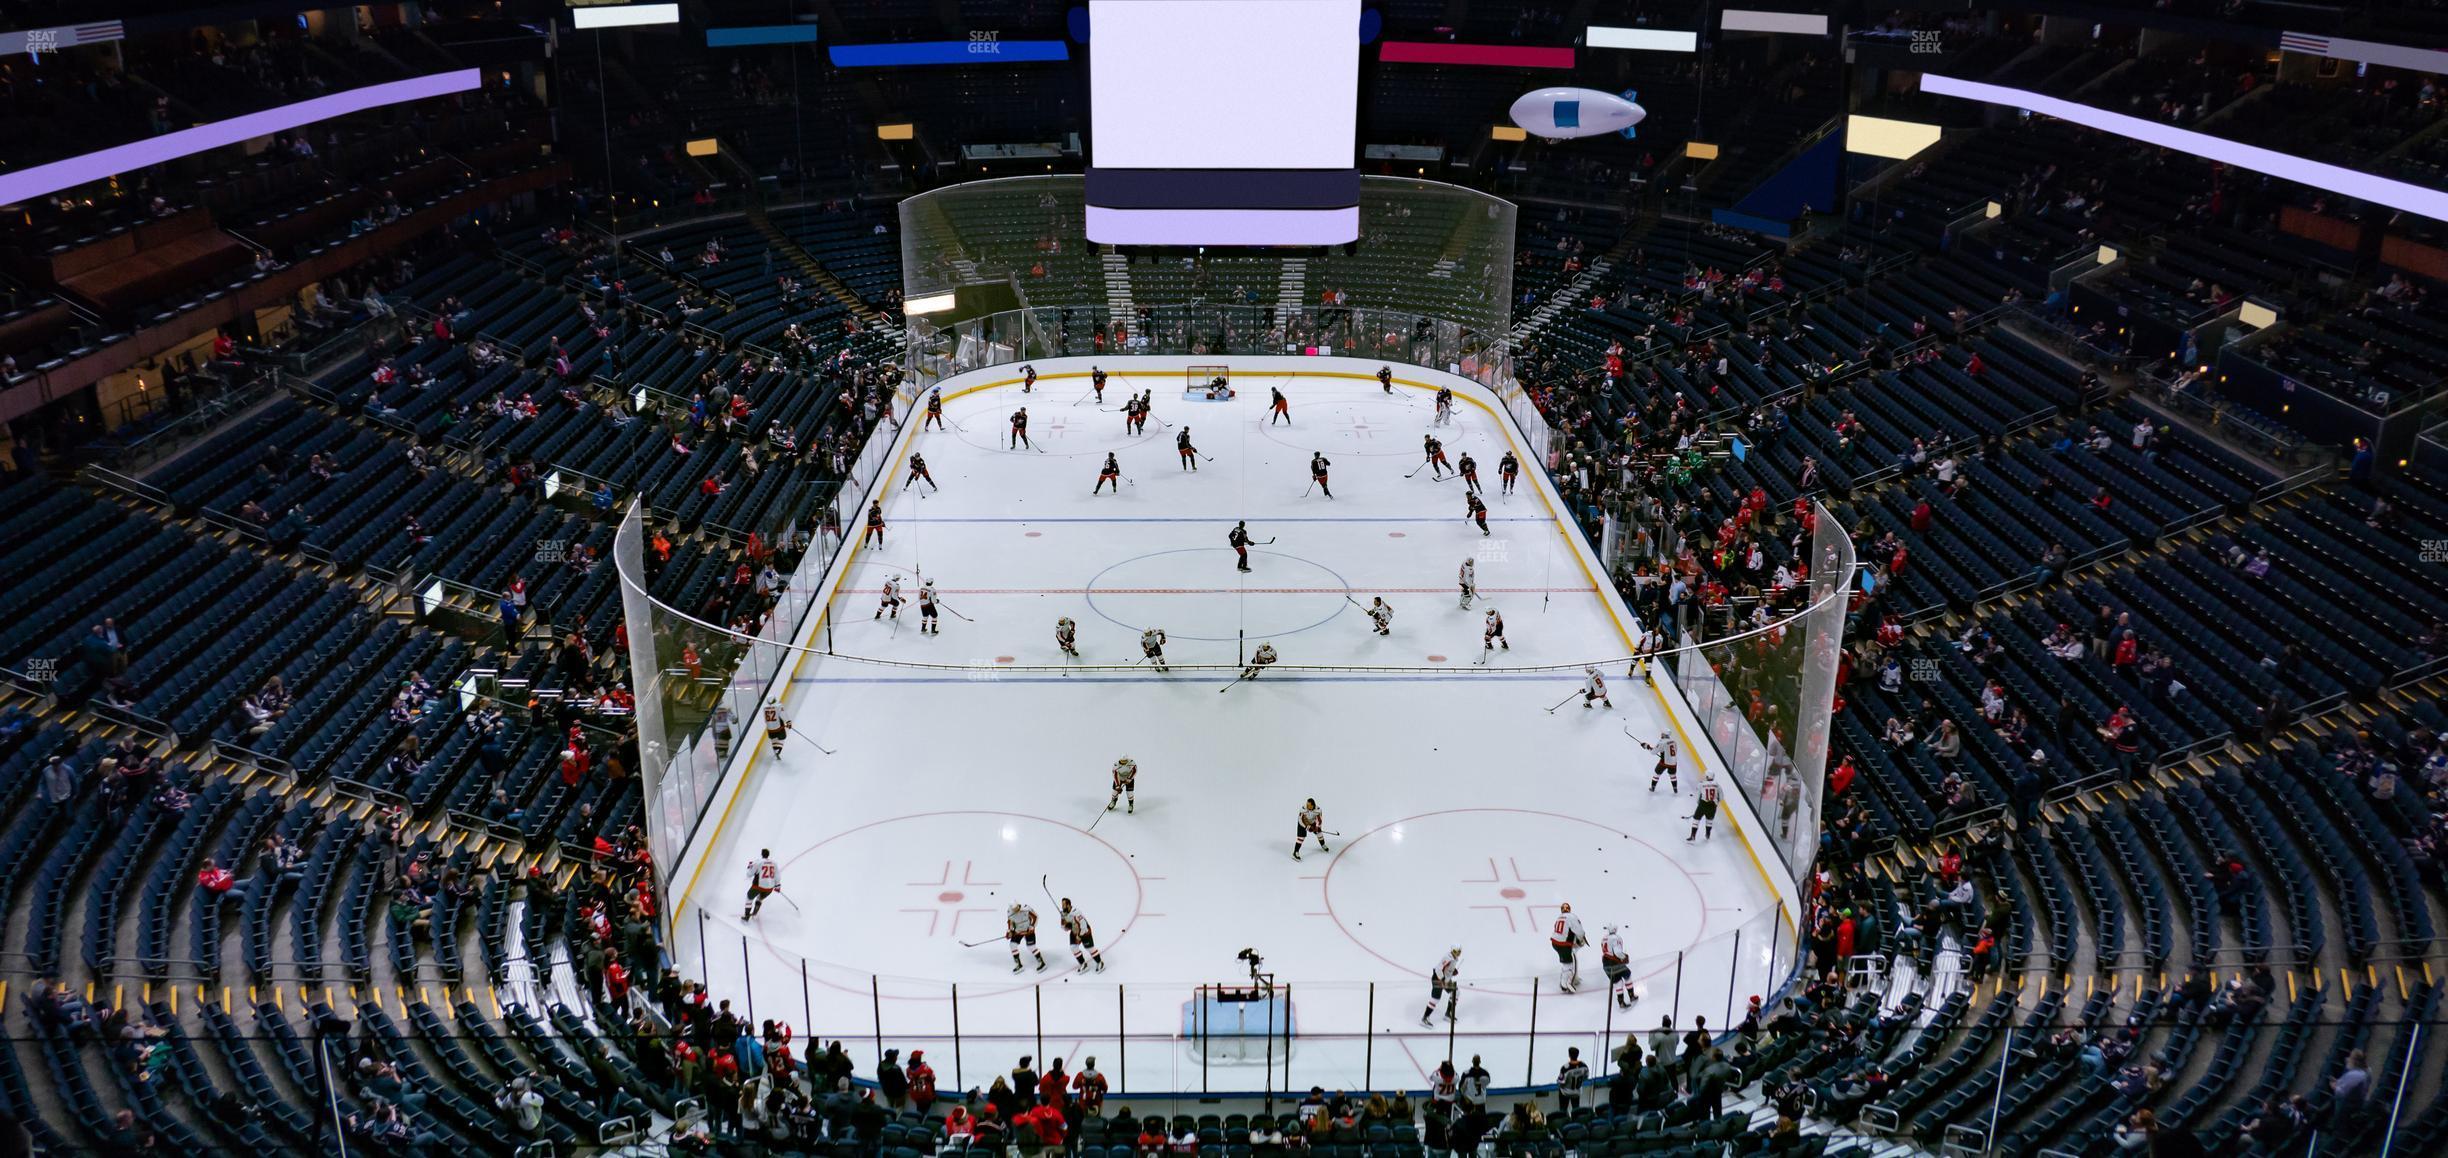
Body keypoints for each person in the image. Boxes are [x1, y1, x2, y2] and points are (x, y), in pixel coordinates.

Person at [1549, 902, 1587, 991]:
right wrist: (1581, 938)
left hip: (1555, 942)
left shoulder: (1559, 917)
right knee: (1568, 964)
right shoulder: (1572, 916)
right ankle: (1565, 984)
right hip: (1563, 944)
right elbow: (1579, 930)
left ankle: (1570, 979)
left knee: (1568, 961)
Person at [1421, 947, 1462, 1025]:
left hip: (1445, 980)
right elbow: (1438, 969)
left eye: (1459, 952)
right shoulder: (1447, 957)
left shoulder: (1454, 958)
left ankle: (1448, 1013)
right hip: (1438, 979)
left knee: (1456, 992)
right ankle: (1425, 1017)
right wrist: (1442, 979)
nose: (1458, 954)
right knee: (1435, 999)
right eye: (1456, 952)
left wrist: (1453, 971)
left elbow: (1447, 968)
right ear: (1452, 951)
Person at [1008, 904, 1046, 972]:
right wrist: (1010, 931)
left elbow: (1036, 917)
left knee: (1031, 947)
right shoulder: (1010, 913)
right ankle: (1018, 964)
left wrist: (1032, 927)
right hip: (1018, 931)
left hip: (1028, 930)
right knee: (1012, 945)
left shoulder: (1026, 909)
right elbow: (1010, 923)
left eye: (1016, 908)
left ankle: (1041, 962)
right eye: (1014, 909)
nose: (1016, 910)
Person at [745, 849, 780, 919]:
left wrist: (749, 867)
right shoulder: (774, 863)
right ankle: (755, 913)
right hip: (769, 888)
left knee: (749, 898)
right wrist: (777, 885)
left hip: (758, 886)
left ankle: (746, 916)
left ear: (762, 854)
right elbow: (777, 876)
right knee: (760, 898)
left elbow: (749, 874)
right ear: (768, 854)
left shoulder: (758, 862)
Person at [1688, 771, 1720, 841]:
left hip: (1703, 804)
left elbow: (1698, 795)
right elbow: (1721, 796)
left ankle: (1693, 836)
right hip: (1712, 806)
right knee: (1709, 821)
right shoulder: (1717, 785)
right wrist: (1716, 803)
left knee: (1696, 820)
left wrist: (1699, 804)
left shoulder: (1701, 784)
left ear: (1707, 777)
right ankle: (1708, 835)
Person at [1556, 1047, 1589, 1113]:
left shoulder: (1565, 1068)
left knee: (1563, 1110)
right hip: (1577, 1092)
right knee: (1576, 1110)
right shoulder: (1583, 1066)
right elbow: (1586, 1077)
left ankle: (1563, 1115)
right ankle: (1576, 1119)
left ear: (1569, 1055)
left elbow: (1560, 1082)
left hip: (1566, 1093)